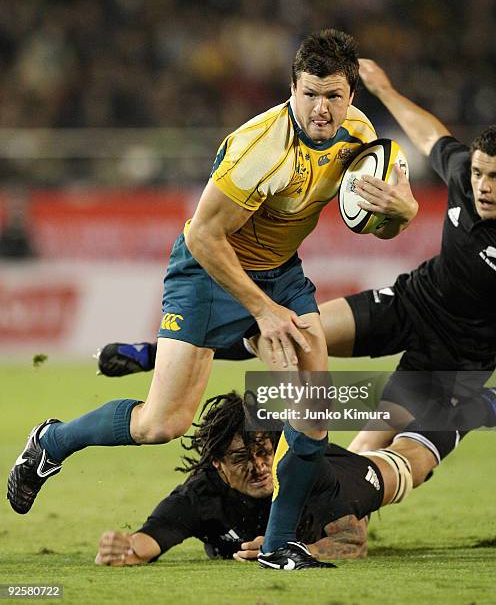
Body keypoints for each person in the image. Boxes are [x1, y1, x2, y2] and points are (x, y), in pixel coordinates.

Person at [7, 32, 417, 571]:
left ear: (351, 97)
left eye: (334, 96)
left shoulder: (361, 138)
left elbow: (379, 226)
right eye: (311, 93)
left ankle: (277, 545)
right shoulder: (260, 149)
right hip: (207, 271)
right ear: (291, 89)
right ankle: (52, 441)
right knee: (163, 423)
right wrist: (263, 312)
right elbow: (202, 236)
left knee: (313, 396)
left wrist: (404, 211)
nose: (322, 108)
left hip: (279, 270)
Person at [96, 58, 496, 452]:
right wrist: (386, 91)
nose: (483, 185)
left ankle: (322, 484)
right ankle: (163, 354)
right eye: (481, 174)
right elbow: (430, 138)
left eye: (492, 178)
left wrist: (407, 213)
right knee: (297, 337)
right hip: (413, 302)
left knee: (367, 452)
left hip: (461, 351)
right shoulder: (465, 175)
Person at [94, 392, 444, 567]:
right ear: (216, 464)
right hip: (322, 495)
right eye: (241, 458)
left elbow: (354, 541)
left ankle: (469, 405)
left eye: (265, 452)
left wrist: (293, 550)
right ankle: (399, 400)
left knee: (410, 463)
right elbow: (147, 540)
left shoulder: (306, 476)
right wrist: (125, 550)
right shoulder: (200, 496)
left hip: (339, 486)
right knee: (369, 443)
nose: (260, 466)